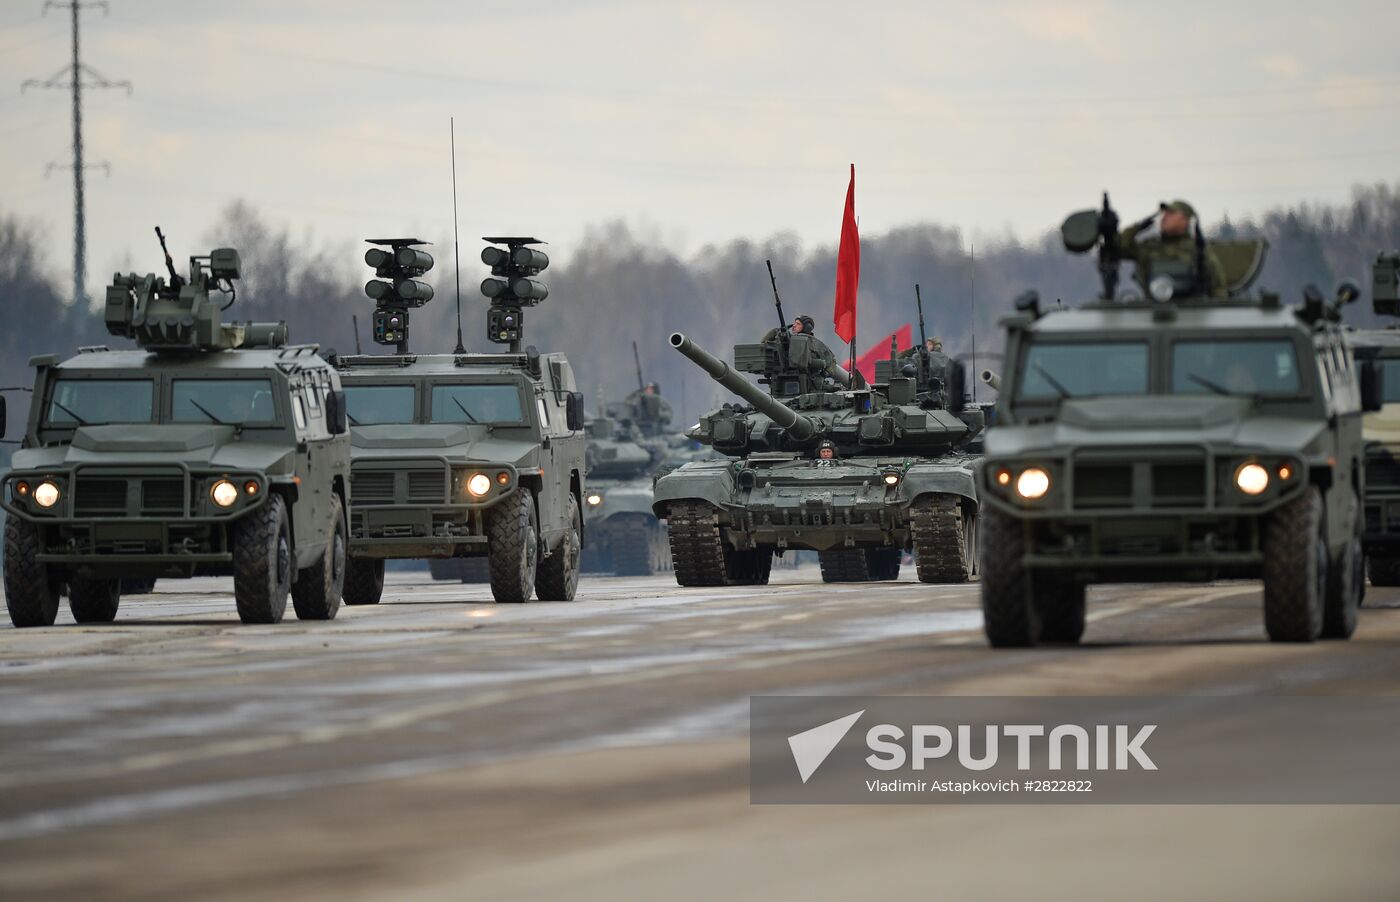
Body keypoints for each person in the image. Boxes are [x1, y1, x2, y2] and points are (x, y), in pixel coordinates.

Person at [1116, 200, 1227, 298]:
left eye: (1171, 214)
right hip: (1153, 309)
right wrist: (1138, 227)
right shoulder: (1150, 247)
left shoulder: (1198, 249)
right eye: (1164, 213)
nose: (1164, 217)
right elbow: (1118, 247)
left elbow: (1218, 286)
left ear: (1185, 220)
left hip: (1191, 311)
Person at [761, 314, 851, 387]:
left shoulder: (814, 344)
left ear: (806, 327)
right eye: (794, 323)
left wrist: (827, 373)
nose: (794, 326)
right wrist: (776, 331)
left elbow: (830, 363)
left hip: (812, 383)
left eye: (798, 324)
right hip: (783, 381)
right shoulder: (786, 341)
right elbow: (764, 343)